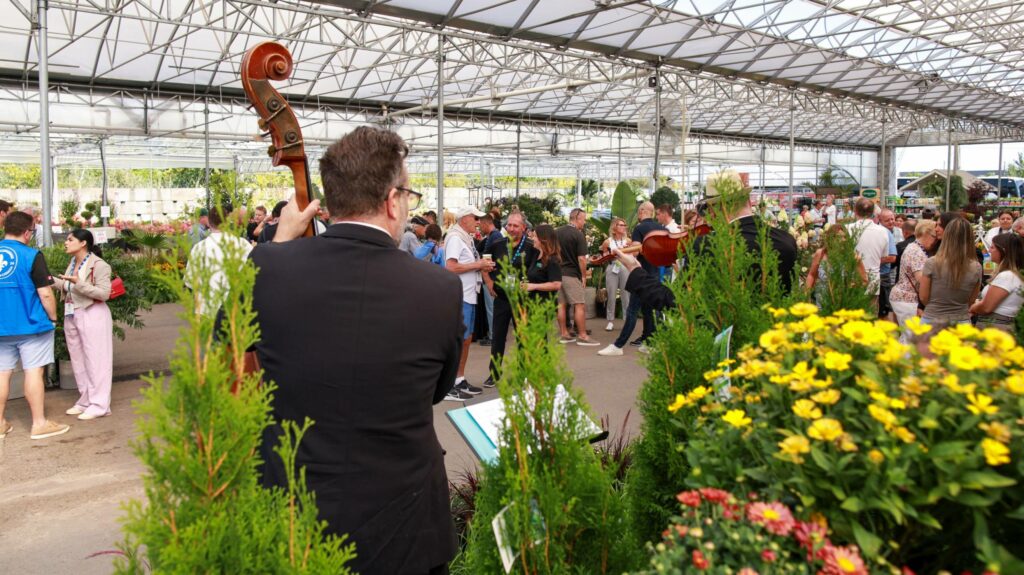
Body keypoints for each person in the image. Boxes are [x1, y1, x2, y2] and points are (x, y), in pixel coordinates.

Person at [250, 126, 459, 575]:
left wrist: (279, 243)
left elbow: (223, 350)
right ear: (391, 200)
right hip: (405, 528)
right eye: (408, 195)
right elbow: (437, 391)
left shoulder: (265, 267)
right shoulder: (439, 289)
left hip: (294, 521)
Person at [613, 175, 798, 313]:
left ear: (716, 210)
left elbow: (677, 303)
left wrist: (636, 271)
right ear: (749, 201)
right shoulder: (787, 241)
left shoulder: (707, 246)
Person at [0, 211, 69, 440]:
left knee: (2, 374)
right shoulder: (31, 255)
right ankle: (39, 424)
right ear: (27, 232)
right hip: (31, 326)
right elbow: (45, 293)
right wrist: (53, 318)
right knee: (33, 371)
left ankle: (0, 424)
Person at [55, 229, 113, 421]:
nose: (66, 243)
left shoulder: (99, 264)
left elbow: (104, 294)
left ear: (83, 243)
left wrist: (78, 283)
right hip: (72, 313)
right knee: (78, 360)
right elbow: (70, 287)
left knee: (97, 360)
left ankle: (100, 404)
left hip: (92, 313)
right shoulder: (73, 263)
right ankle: (85, 399)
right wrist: (53, 281)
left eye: (70, 239)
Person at [599, 201, 666, 356]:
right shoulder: (660, 228)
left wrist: (620, 253)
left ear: (642, 211)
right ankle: (649, 343)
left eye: (639, 211)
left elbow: (635, 251)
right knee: (648, 310)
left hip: (640, 274)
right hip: (654, 273)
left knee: (632, 310)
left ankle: (618, 345)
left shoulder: (640, 227)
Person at [445, 205, 494, 399]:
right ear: (464, 218)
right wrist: (478, 264)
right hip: (460, 296)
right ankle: (448, 384)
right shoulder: (456, 238)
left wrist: (481, 266)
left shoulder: (465, 238)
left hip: (468, 295)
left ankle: (458, 379)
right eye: (475, 218)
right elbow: (450, 267)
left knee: (465, 340)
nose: (478, 222)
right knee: (459, 340)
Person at [483, 211, 533, 388]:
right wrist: (488, 282)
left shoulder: (531, 246)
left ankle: (523, 373)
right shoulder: (496, 244)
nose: (511, 229)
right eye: (509, 225)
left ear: (523, 228)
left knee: (522, 338)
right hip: (502, 298)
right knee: (498, 336)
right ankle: (494, 373)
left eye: (515, 226)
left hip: (522, 300)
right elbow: (485, 263)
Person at [185, 202, 253, 317]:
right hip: (235, 309)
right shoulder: (243, 245)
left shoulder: (199, 248)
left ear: (209, 223)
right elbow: (254, 273)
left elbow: (190, 281)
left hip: (206, 310)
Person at [920, 217, 982, 333]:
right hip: (961, 322)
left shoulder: (932, 263)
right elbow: (972, 299)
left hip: (932, 318)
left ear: (947, 235)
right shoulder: (976, 267)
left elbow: (923, 297)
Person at [555, 208, 600, 346]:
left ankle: (564, 334)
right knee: (579, 304)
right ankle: (583, 336)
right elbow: (581, 259)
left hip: (558, 274)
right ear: (576, 218)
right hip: (571, 275)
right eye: (583, 219)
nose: (584, 222)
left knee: (561, 305)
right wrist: (583, 276)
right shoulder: (578, 235)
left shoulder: (557, 232)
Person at [890, 220, 936, 342]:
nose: (935, 241)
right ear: (925, 233)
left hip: (904, 297)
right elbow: (922, 279)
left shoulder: (913, 247)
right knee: (910, 338)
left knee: (907, 336)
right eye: (933, 236)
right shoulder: (916, 252)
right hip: (908, 299)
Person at [970, 232, 1024, 332]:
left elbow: (986, 307)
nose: (989, 250)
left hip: (995, 327)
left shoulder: (1007, 276)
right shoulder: (1011, 275)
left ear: (1003, 251)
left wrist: (973, 307)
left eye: (993, 247)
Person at [804, 226, 867, 306]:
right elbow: (811, 275)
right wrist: (806, 294)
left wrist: (850, 287)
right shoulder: (820, 254)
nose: (843, 240)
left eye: (845, 237)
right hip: (821, 304)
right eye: (839, 237)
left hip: (843, 305)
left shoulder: (852, 256)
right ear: (830, 239)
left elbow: (863, 280)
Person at [846, 198, 890, 307]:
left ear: (855, 211)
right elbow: (884, 256)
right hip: (873, 281)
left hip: (852, 280)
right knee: (870, 317)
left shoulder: (847, 229)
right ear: (873, 212)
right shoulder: (883, 232)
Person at [599, 217, 631, 332]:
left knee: (626, 294)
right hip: (612, 266)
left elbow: (633, 255)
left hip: (625, 266)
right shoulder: (608, 241)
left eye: (624, 225)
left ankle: (627, 320)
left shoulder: (628, 241)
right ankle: (610, 321)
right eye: (620, 225)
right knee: (611, 294)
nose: (623, 227)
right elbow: (603, 257)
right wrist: (610, 254)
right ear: (614, 227)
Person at [478, 213, 504, 346]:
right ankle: (493, 335)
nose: (479, 228)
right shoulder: (494, 236)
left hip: (491, 278)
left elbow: (491, 258)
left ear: (485, 223)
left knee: (491, 309)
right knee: (492, 308)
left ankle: (493, 336)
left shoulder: (495, 236)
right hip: (491, 277)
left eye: (480, 225)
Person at [523, 224, 562, 299]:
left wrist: (533, 286)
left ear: (543, 239)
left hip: (545, 305)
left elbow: (556, 284)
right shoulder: (536, 255)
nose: (532, 238)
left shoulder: (552, 259)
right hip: (534, 303)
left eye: (535, 236)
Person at [877, 209, 899, 318]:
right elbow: (892, 258)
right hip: (883, 275)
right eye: (887, 220)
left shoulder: (899, 231)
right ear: (880, 221)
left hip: (895, 274)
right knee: (884, 306)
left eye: (892, 219)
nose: (891, 222)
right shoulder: (883, 232)